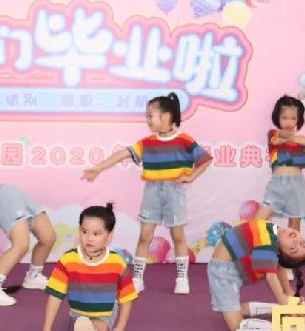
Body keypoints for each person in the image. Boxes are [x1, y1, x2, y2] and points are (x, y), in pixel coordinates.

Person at [82, 92, 211, 294]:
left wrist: (192, 176)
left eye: (151, 115)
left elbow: (205, 159)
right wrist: (98, 168)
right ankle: (137, 279)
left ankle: (182, 278)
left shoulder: (184, 140)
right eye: (147, 116)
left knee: (178, 236)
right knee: (145, 236)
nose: (148, 120)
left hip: (175, 192)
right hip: (152, 192)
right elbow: (122, 154)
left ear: (167, 115)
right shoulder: (147, 143)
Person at [27, 202, 136, 331]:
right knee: (85, 326)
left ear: (109, 235)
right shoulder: (68, 259)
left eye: (96, 233)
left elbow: (126, 298)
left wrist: (119, 329)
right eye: (84, 231)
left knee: (98, 328)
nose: (89, 238)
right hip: (78, 313)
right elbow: (55, 296)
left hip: (105, 313)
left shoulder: (117, 262)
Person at [208, 219, 305, 331]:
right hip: (223, 269)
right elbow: (271, 275)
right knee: (235, 325)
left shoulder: (273, 237)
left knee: (237, 316)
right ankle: (280, 325)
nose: (296, 241)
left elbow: (281, 277)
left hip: (228, 267)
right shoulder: (271, 235)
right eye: (303, 243)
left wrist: (297, 301)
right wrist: (284, 304)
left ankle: (279, 312)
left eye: (293, 249)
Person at [254, 95, 305, 232]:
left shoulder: (302, 140)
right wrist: (288, 138)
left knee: (294, 225)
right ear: (277, 118)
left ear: (299, 119)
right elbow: (276, 140)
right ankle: (270, 239)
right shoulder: (273, 134)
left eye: (293, 118)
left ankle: (290, 245)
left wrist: (293, 138)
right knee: (258, 221)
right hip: (278, 183)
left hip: (297, 184)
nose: (288, 122)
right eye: (284, 118)